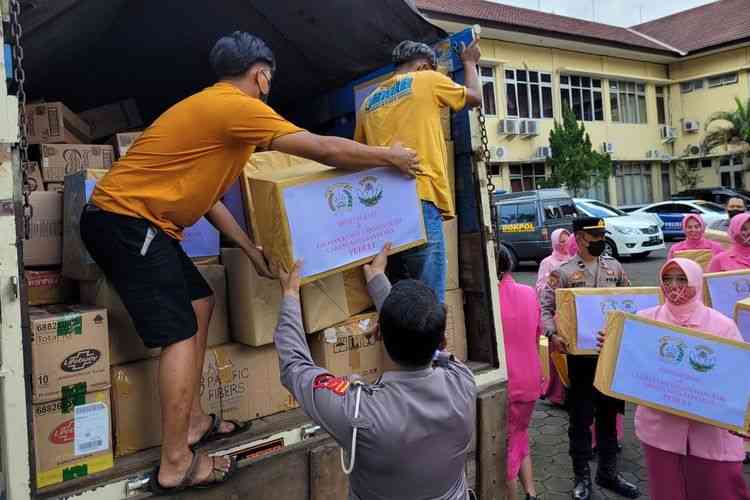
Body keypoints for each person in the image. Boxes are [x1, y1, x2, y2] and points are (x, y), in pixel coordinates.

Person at [80, 32, 421, 493]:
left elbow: (210, 198)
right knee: (179, 331)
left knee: (200, 302)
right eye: (269, 80)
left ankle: (195, 421)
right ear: (261, 75)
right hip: (124, 220)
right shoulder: (236, 107)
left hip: (140, 224)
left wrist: (249, 249)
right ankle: (176, 462)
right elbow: (322, 149)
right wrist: (388, 157)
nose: (269, 87)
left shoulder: (216, 114)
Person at [274, 244, 476, 499]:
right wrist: (379, 282)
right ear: (442, 342)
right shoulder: (463, 381)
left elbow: (295, 366)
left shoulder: (358, 413)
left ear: (377, 332)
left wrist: (290, 294)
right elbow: (427, 343)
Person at [600, 258, 750, 500]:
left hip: (709, 434)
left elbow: (739, 378)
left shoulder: (723, 326)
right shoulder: (644, 319)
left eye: (682, 279)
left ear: (696, 282)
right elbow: (629, 363)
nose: (674, 286)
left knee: (716, 490)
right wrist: (610, 347)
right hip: (660, 431)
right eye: (667, 279)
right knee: (667, 491)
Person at [354, 39, 483, 302]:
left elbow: (359, 156)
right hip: (420, 199)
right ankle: (433, 344)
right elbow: (475, 96)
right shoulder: (426, 80)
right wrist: (469, 62)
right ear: (424, 66)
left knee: (400, 299)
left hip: (381, 211)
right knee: (429, 300)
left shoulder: (367, 103)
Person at [540, 217, 640, 500]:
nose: (601, 240)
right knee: (581, 419)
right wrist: (552, 334)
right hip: (580, 360)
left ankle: (608, 473)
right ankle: (581, 477)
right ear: (581, 237)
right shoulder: (562, 273)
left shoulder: (615, 268)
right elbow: (545, 308)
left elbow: (629, 302)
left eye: (602, 235)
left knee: (609, 415)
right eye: (595, 235)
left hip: (609, 356)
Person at [499, 247, 542, 500]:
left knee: (507, 449)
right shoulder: (528, 293)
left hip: (508, 384)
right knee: (520, 435)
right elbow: (537, 334)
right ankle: (532, 492)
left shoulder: (490, 299)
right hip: (530, 380)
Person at [535, 228, 571, 406]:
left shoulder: (573, 261)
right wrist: (554, 284)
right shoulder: (548, 262)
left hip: (570, 315)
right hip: (555, 315)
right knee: (557, 356)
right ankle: (557, 395)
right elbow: (541, 287)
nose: (564, 244)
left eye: (567, 240)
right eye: (561, 241)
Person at [535, 228, 572, 296]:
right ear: (555, 243)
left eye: (568, 241)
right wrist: (553, 286)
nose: (567, 244)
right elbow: (539, 289)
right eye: (562, 242)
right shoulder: (547, 262)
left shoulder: (573, 258)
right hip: (555, 302)